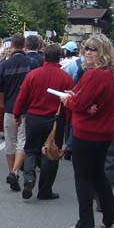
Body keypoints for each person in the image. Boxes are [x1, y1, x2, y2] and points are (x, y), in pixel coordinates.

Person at [61, 35, 114, 228]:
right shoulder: (111, 74)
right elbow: (84, 100)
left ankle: (85, 224)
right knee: (98, 175)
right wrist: (77, 99)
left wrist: (68, 100)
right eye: (86, 48)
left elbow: (78, 103)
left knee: (83, 178)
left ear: (102, 52)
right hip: (103, 132)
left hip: (87, 133)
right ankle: (111, 217)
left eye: (93, 49)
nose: (88, 52)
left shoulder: (95, 75)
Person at [13, 44, 73, 200]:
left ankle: (29, 179)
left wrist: (17, 114)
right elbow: (69, 102)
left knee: (31, 150)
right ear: (59, 57)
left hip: (34, 117)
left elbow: (22, 97)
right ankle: (45, 190)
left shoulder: (33, 74)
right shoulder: (65, 77)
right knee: (51, 154)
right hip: (55, 119)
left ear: (44, 56)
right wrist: (67, 120)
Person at [0, 33, 40, 192]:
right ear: (25, 46)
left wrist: (1, 104)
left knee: (10, 141)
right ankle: (15, 171)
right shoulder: (32, 63)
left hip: (9, 106)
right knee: (22, 140)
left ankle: (11, 171)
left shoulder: (5, 65)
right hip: (27, 108)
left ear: (12, 46)